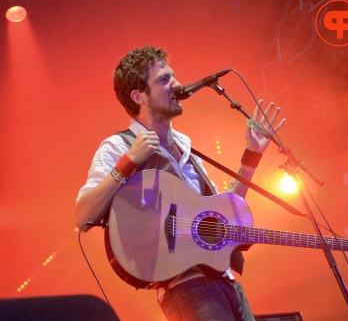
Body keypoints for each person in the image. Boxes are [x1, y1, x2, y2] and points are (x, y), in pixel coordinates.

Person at [75, 45, 285, 321]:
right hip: (185, 289)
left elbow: (223, 211)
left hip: (227, 282)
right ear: (139, 96)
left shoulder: (185, 143)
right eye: (163, 79)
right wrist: (127, 162)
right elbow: (83, 216)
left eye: (173, 76)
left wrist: (252, 156)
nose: (177, 84)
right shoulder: (118, 146)